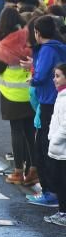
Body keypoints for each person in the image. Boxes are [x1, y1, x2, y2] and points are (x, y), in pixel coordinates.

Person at [0, 7, 38, 187]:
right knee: (31, 131)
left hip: (11, 94)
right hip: (30, 92)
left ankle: (18, 172)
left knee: (17, 131)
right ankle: (33, 170)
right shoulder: (29, 38)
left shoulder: (3, 45)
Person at [26, 15, 66, 207]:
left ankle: (49, 192)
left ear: (37, 33)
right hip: (58, 99)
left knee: (43, 147)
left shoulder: (46, 50)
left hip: (48, 101)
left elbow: (41, 76)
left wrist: (32, 76)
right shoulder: (60, 47)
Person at [45, 64, 66, 226]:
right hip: (57, 148)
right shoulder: (60, 96)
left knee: (62, 182)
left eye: (58, 76)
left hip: (62, 149)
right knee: (58, 181)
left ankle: (64, 213)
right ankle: (61, 211)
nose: (54, 79)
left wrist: (55, 139)